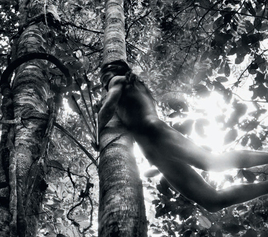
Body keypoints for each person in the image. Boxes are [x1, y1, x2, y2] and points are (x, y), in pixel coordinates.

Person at [99, 61, 268, 212]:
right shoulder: (135, 90)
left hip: (155, 133)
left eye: (106, 73)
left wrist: (99, 133)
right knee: (213, 201)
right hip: (156, 152)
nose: (104, 80)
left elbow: (109, 105)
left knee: (212, 162)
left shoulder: (118, 80)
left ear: (117, 71)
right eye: (102, 78)